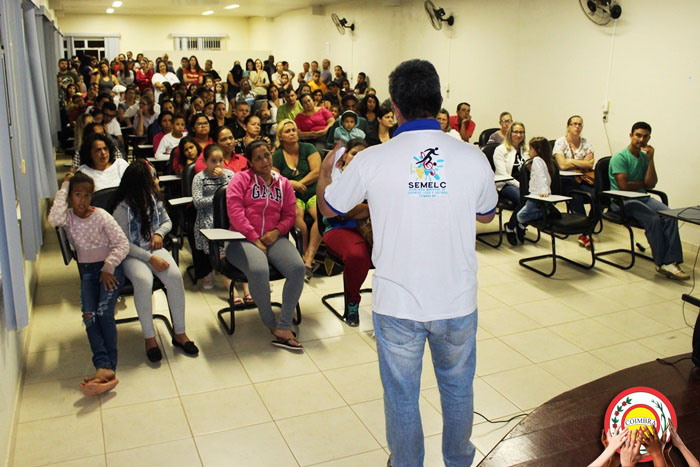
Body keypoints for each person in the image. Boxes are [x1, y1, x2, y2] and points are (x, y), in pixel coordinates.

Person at [317, 59, 498, 467]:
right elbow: (486, 215)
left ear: (394, 108)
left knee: (401, 395)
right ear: (439, 102)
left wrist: (327, 171)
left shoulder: (372, 159)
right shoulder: (473, 157)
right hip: (456, 301)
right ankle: (458, 461)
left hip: (398, 304)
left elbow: (330, 206)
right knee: (457, 389)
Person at [48, 171, 129, 396]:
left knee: (103, 314)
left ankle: (106, 368)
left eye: (86, 195)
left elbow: (122, 244)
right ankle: (104, 367)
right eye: (77, 195)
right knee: (88, 316)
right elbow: (53, 219)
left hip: (110, 270)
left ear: (92, 197)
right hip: (87, 272)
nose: (82, 200)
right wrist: (64, 186)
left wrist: (109, 266)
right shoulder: (68, 217)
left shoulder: (101, 215)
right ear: (70, 197)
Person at [109, 160, 199, 362]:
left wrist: (159, 234)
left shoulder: (153, 199)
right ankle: (149, 338)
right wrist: (150, 259)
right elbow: (123, 244)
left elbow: (167, 221)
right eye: (152, 178)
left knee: (175, 276)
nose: (156, 181)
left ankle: (180, 333)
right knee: (143, 281)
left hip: (153, 246)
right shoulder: (121, 208)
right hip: (132, 254)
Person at [226, 141, 305, 350]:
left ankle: (285, 324)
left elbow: (290, 214)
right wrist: (253, 237)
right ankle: (271, 323)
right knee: (259, 269)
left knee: (298, 268)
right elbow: (235, 213)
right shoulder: (240, 180)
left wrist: (278, 231)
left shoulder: (283, 183)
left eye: (267, 156)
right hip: (241, 239)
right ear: (250, 162)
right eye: (258, 158)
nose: (264, 161)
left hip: (274, 238)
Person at [609, 121, 689, 280]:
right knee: (653, 219)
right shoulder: (619, 157)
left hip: (642, 197)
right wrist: (642, 184)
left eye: (645, 136)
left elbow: (651, 183)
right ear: (631, 135)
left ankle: (672, 260)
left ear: (649, 138)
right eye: (638, 135)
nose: (641, 139)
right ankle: (661, 263)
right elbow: (623, 187)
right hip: (622, 201)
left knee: (670, 214)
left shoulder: (645, 158)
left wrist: (651, 159)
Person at [319, 138, 372, 325]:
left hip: (371, 228)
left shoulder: (373, 176)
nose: (359, 158)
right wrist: (370, 207)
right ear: (345, 156)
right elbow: (343, 212)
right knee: (358, 255)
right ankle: (352, 303)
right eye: (355, 153)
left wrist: (362, 208)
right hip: (339, 228)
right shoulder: (336, 176)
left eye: (363, 155)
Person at [192, 145, 251, 301]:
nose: (217, 165)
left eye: (220, 161)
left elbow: (238, 195)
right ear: (205, 161)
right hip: (208, 217)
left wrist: (224, 179)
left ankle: (247, 289)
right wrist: (218, 199)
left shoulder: (230, 175)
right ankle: (233, 292)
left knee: (240, 248)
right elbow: (198, 202)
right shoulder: (199, 178)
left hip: (229, 215)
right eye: (213, 161)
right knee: (221, 253)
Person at [273, 119, 321, 272]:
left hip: (312, 191)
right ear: (280, 136)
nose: (292, 133)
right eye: (287, 131)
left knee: (318, 216)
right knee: (296, 215)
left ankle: (310, 255)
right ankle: (302, 251)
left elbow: (317, 172)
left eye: (293, 130)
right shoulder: (278, 155)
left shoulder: (308, 147)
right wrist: (292, 184)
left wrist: (300, 182)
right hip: (292, 195)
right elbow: (275, 177)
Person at [553, 115, 596, 247]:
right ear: (568, 126)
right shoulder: (560, 142)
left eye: (580, 124)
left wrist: (570, 161)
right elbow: (562, 165)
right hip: (565, 180)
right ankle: (585, 231)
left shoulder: (586, 143)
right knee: (576, 197)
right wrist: (581, 163)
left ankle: (587, 229)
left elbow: (591, 164)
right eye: (574, 124)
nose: (577, 127)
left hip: (583, 178)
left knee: (598, 197)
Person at [516, 137, 556, 226]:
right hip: (539, 195)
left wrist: (544, 191)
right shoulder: (544, 161)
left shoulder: (537, 160)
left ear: (538, 150)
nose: (528, 151)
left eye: (530, 149)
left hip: (536, 196)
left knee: (520, 216)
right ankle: (545, 211)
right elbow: (539, 175)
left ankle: (546, 213)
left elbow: (542, 177)